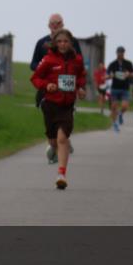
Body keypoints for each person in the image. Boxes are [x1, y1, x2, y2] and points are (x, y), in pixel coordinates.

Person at [31, 28, 86, 189]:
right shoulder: (48, 59)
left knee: (63, 138)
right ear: (55, 43)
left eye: (66, 41)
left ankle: (61, 174)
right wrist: (47, 85)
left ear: (71, 43)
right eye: (60, 41)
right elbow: (35, 78)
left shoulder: (77, 60)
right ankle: (52, 148)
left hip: (67, 106)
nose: (63, 44)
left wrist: (81, 88)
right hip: (50, 105)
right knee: (54, 140)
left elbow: (81, 75)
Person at [29, 13, 82, 107]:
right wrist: (44, 67)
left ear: (63, 24)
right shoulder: (41, 42)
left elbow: (79, 64)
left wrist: (81, 87)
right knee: (49, 118)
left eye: (58, 23)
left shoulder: (73, 41)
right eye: (52, 23)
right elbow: (33, 64)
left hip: (68, 91)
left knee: (67, 119)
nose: (55, 25)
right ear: (48, 25)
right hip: (48, 87)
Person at [106, 46, 133, 133]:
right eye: (119, 52)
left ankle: (120, 114)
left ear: (124, 53)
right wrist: (110, 75)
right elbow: (107, 74)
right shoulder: (112, 64)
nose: (120, 54)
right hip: (115, 88)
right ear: (116, 53)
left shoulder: (128, 63)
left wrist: (129, 74)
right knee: (114, 107)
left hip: (125, 88)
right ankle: (115, 124)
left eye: (122, 52)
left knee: (124, 106)